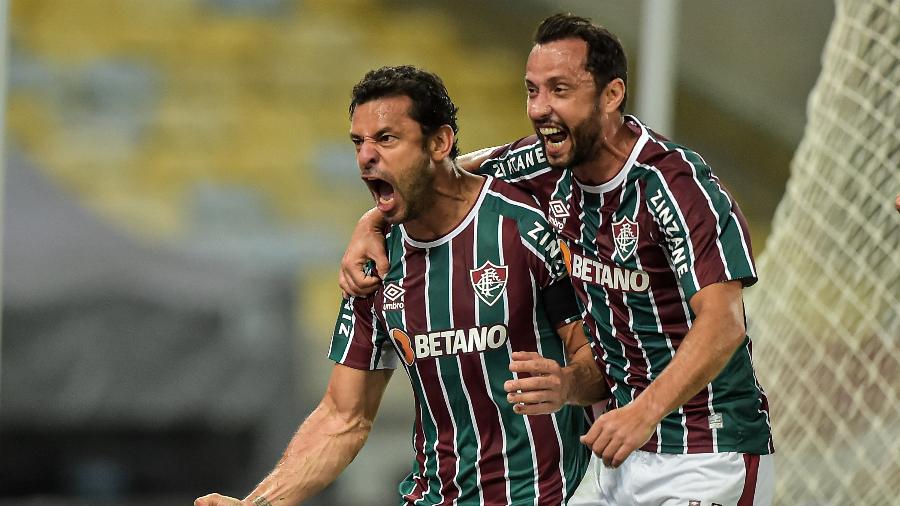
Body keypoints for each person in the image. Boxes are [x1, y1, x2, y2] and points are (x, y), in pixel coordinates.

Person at [341, 14, 775, 505]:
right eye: (532, 91)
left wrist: (642, 412)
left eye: (560, 90)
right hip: (617, 453)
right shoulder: (546, 163)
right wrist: (371, 222)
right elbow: (441, 175)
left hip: (705, 449)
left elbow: (723, 325)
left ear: (611, 96)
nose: (540, 109)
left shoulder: (674, 186)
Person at [195, 65, 607, 506]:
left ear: (439, 142)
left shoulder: (523, 226)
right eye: (358, 143)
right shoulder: (375, 265)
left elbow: (598, 364)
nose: (365, 157)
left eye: (386, 139)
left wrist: (564, 384)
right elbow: (343, 416)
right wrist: (257, 504)